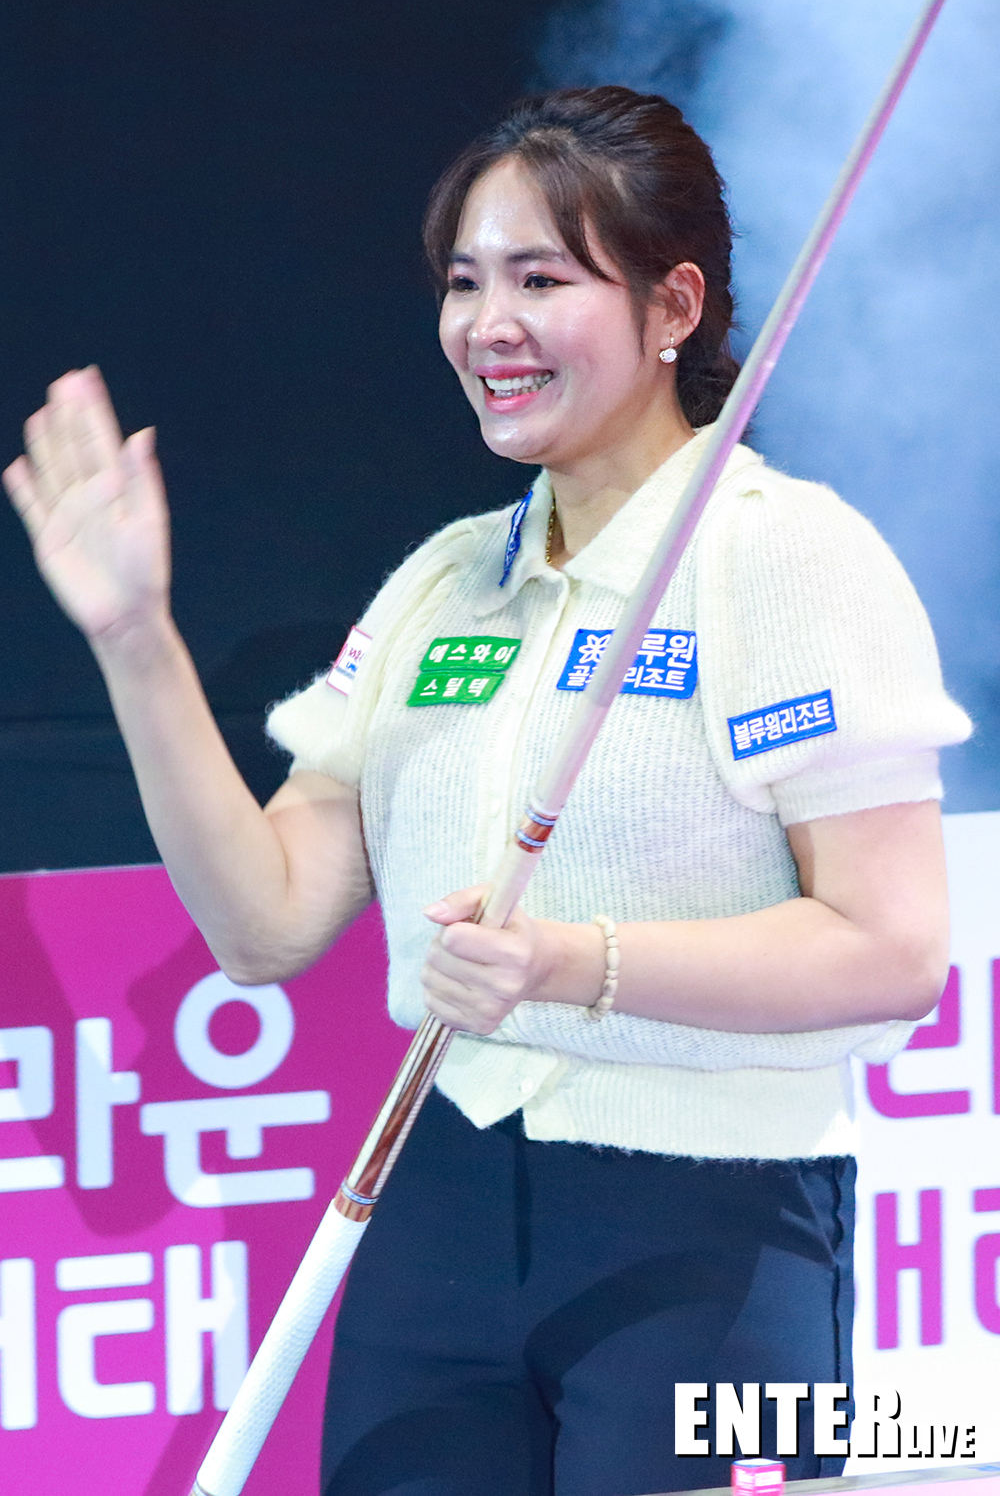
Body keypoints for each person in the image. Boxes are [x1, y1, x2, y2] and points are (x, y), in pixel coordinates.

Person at [5, 86, 969, 1496]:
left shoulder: (788, 559)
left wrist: (570, 963)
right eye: (466, 283)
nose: (488, 326)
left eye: (542, 280)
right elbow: (264, 924)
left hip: (708, 1235)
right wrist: (134, 638)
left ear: (674, 304)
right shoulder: (446, 584)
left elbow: (891, 950)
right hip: (436, 1206)